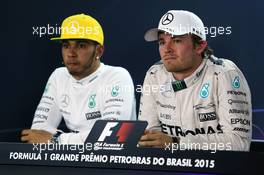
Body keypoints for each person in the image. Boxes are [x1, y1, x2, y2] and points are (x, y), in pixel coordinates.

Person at [138, 10, 252, 151]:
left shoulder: (224, 73)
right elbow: (149, 138)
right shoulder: (154, 74)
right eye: (162, 42)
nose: (166, 49)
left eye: (176, 40)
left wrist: (176, 143)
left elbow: (239, 143)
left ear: (199, 46)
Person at [21, 14, 136, 144]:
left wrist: (56, 140)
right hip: (73, 160)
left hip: (115, 162)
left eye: (81, 45)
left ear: (99, 51)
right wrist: (62, 141)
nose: (71, 53)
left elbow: (110, 137)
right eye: (66, 45)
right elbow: (38, 132)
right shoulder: (59, 76)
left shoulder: (117, 76)